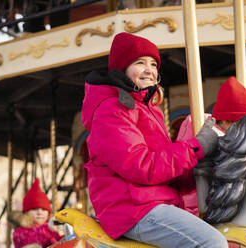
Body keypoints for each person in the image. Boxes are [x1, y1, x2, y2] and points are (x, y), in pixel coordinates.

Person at [81, 32, 228, 248]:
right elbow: (140, 166)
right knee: (211, 242)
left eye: (153, 64)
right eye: (140, 63)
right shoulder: (112, 109)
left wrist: (199, 165)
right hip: (131, 209)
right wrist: (196, 148)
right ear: (122, 69)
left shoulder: (149, 109)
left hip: (153, 203)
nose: (149, 70)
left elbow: (165, 172)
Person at [176, 76, 246, 216]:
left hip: (235, 202)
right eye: (244, 124)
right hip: (199, 203)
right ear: (229, 121)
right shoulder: (198, 125)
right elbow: (180, 167)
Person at [12, 178, 62, 248]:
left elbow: (60, 243)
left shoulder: (50, 229)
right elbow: (33, 240)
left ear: (48, 213)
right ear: (26, 212)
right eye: (35, 209)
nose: (39, 212)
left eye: (44, 209)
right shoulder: (20, 232)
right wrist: (48, 230)